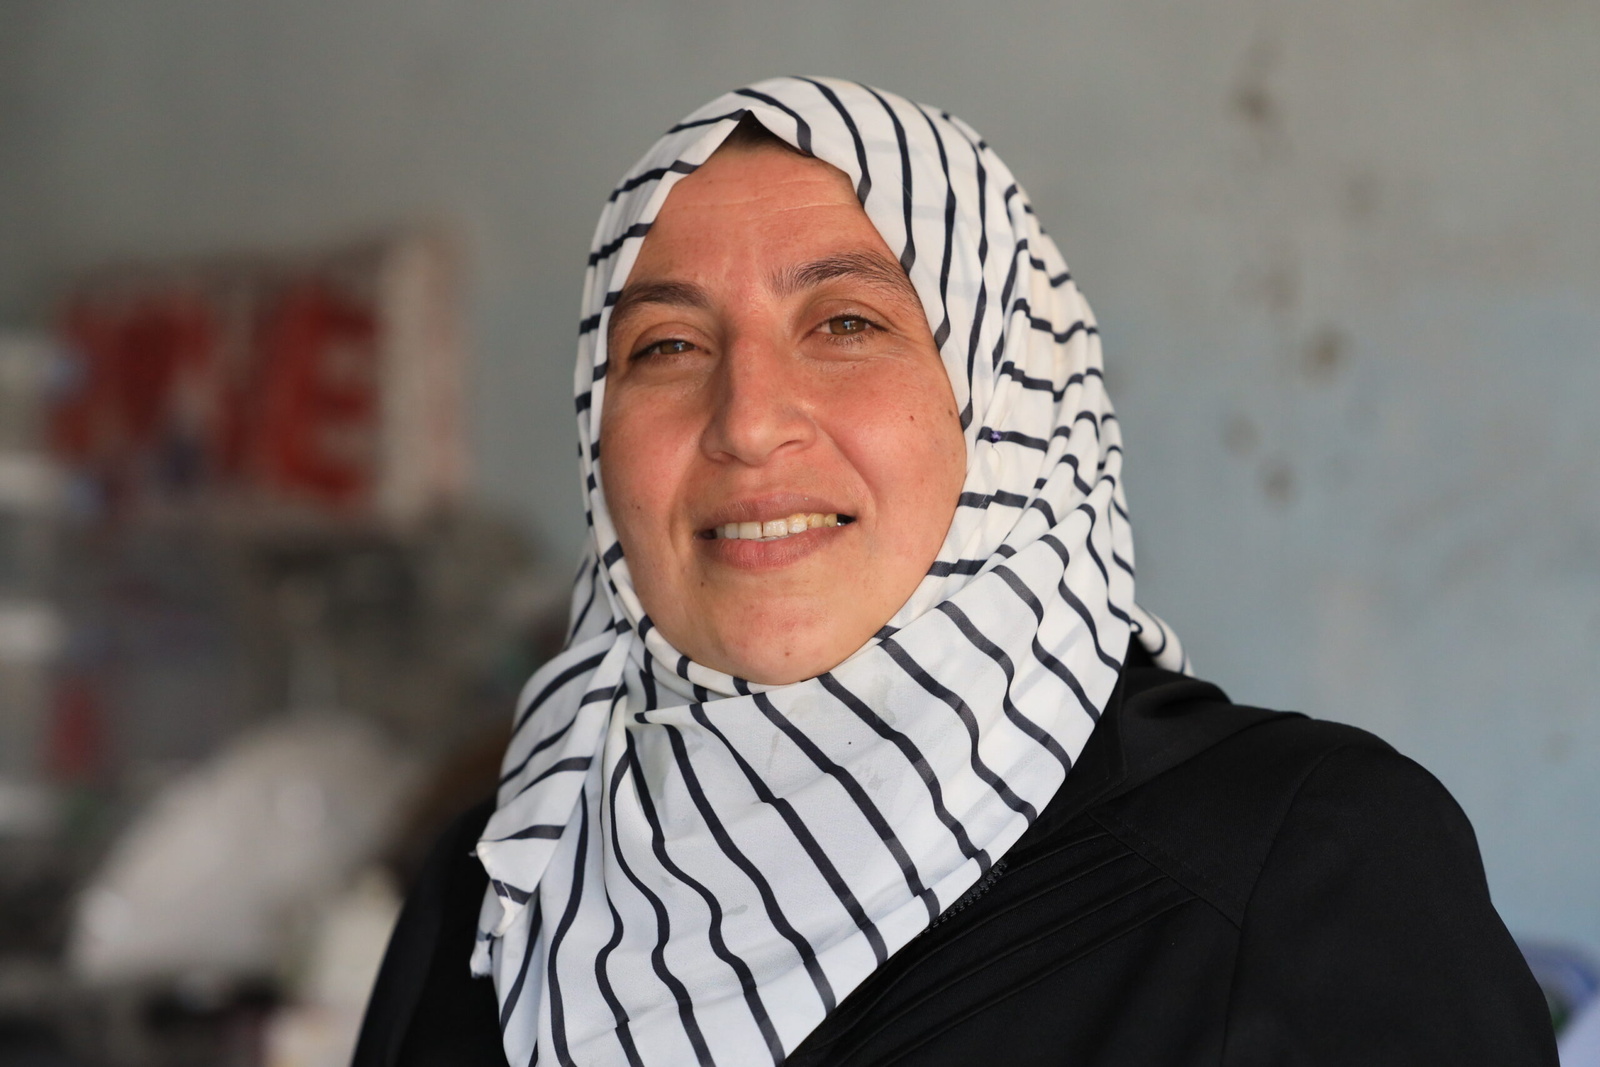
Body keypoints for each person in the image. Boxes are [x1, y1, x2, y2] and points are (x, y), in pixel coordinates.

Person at [354, 77, 1556, 1066]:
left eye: (845, 323)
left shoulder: (1297, 869)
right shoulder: (498, 897)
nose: (748, 419)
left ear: (1007, 403)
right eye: (666, 345)